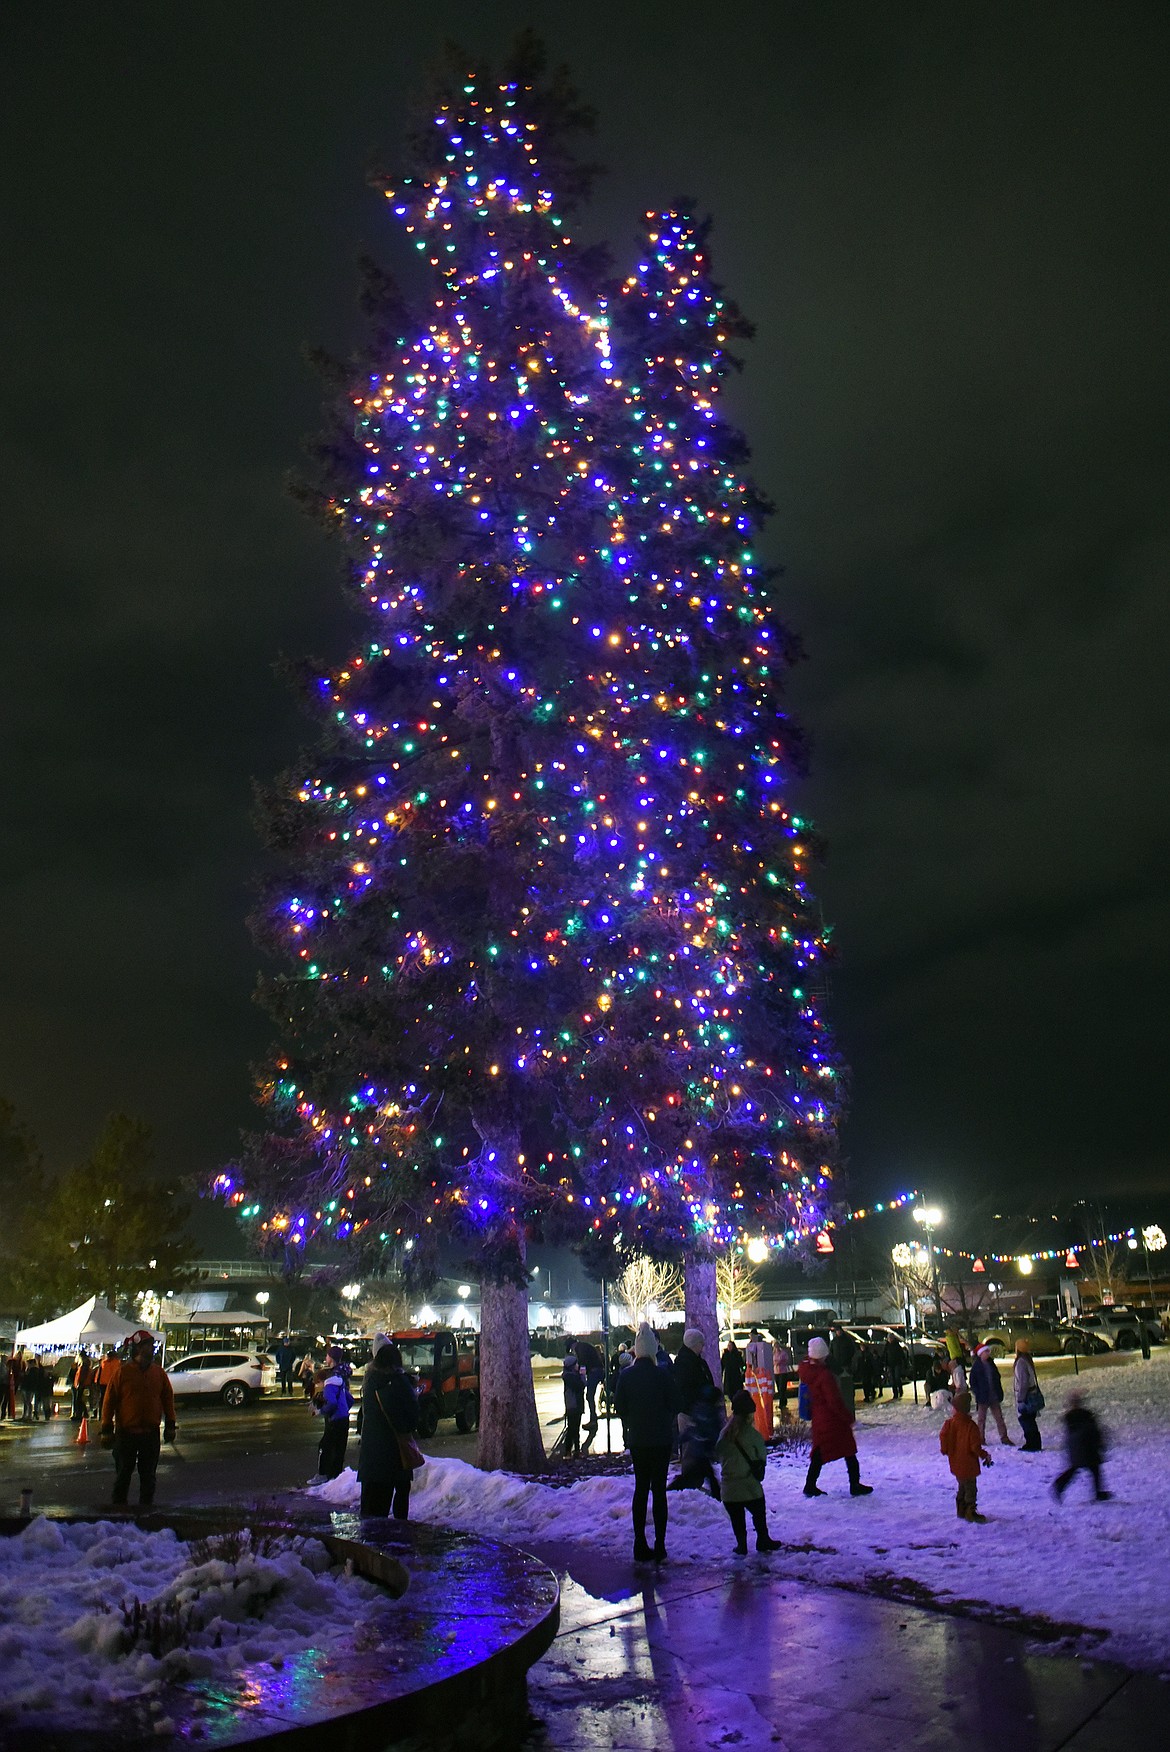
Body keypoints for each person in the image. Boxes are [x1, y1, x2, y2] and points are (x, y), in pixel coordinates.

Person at [614, 1324, 680, 1563]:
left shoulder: (626, 1376)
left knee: (640, 1489)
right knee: (659, 1491)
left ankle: (639, 1543)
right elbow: (675, 1402)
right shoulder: (662, 1374)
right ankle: (660, 1544)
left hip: (639, 1440)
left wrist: (633, 1418)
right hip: (661, 1439)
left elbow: (619, 1407)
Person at [99, 1330, 176, 1508]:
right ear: (138, 1348)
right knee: (123, 1474)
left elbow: (167, 1398)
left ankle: (146, 1509)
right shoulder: (123, 1373)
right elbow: (109, 1401)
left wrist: (170, 1424)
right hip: (126, 1433)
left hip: (150, 1433)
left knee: (148, 1476)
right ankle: (119, 1509)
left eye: (151, 1345)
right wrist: (106, 1429)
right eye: (147, 1345)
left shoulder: (158, 1373)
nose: (151, 1349)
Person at [798, 1336, 872, 1497]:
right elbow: (834, 1401)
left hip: (819, 1419)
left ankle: (810, 1485)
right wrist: (848, 1418)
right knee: (849, 1451)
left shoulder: (807, 1370)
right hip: (832, 1420)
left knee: (819, 1453)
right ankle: (854, 1484)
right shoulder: (824, 1376)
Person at [357, 1341, 420, 1518]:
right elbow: (410, 1421)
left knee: (372, 1513)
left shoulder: (370, 1381)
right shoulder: (399, 1384)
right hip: (397, 1456)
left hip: (373, 1459)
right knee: (398, 1510)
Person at [716, 1390, 781, 1555]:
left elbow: (718, 1453)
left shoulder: (724, 1434)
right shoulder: (753, 1435)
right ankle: (763, 1539)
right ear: (749, 1414)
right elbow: (762, 1457)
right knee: (758, 1512)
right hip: (749, 1486)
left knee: (737, 1519)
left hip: (729, 1490)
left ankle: (741, 1545)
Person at [669, 1330, 722, 1498]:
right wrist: (704, 1396)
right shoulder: (685, 1363)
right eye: (701, 1343)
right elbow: (687, 1389)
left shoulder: (695, 1361)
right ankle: (689, 1489)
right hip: (692, 1412)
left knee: (697, 1457)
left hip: (699, 1412)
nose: (703, 1347)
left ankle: (694, 1486)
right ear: (694, 1344)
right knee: (693, 1455)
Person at [939, 1389, 991, 1521]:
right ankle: (970, 1511)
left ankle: (960, 1509)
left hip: (956, 1464)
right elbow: (975, 1447)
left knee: (962, 1486)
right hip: (968, 1464)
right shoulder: (970, 1426)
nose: (952, 1410)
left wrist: (946, 1450)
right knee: (971, 1489)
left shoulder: (949, 1424)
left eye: (954, 1408)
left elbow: (943, 1437)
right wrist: (984, 1455)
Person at [1053, 1392, 1111, 1502]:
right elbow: (1093, 1430)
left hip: (1079, 1447)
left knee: (1083, 1468)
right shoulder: (1084, 1414)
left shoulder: (1070, 1416)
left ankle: (1059, 1484)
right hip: (1085, 1446)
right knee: (1090, 1468)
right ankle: (1059, 1484)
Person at [315, 1350, 354, 1478]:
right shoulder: (342, 1375)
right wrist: (344, 1410)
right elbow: (349, 1398)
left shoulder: (332, 1378)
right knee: (339, 1448)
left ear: (331, 1358)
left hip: (334, 1418)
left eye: (327, 1355)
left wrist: (322, 1410)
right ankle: (336, 1476)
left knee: (327, 1446)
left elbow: (331, 1402)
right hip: (342, 1417)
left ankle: (325, 1475)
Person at [970, 1343, 1014, 1445]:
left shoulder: (991, 1364)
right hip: (983, 1397)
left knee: (999, 1418)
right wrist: (978, 1393)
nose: (988, 1353)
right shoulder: (976, 1366)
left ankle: (1004, 1437)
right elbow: (973, 1382)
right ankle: (980, 1439)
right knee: (981, 1419)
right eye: (986, 1352)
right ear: (981, 1354)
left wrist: (998, 1391)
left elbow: (997, 1378)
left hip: (993, 1395)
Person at [1013, 1338, 1043, 1451]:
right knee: (1030, 1419)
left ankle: (1032, 1443)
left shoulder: (1021, 1362)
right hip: (1031, 1394)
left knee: (1025, 1420)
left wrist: (1021, 1398)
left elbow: (1023, 1382)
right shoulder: (1027, 1359)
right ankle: (1034, 1443)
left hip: (1026, 1396)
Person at [744, 1328, 774, 1438]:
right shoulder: (751, 1347)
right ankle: (763, 1431)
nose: (750, 1337)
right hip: (757, 1393)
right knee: (759, 1413)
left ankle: (766, 1431)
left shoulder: (762, 1347)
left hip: (762, 1392)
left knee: (765, 1411)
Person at [574, 1336, 604, 1446]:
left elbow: (582, 1362)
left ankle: (593, 1420)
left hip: (594, 1372)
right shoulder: (584, 1346)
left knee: (589, 1396)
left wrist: (581, 1374)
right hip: (597, 1370)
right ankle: (593, 1418)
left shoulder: (579, 1349)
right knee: (590, 1396)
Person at [827, 1324, 858, 1418]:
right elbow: (831, 1353)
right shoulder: (834, 1341)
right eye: (837, 1331)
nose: (838, 1332)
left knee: (847, 1384)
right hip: (837, 1367)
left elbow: (853, 1351)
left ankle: (849, 1401)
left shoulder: (847, 1340)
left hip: (846, 1365)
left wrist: (849, 1361)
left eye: (839, 1330)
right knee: (838, 1386)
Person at [561, 1341, 585, 1458]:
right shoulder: (570, 1377)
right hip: (573, 1405)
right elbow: (580, 1386)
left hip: (576, 1404)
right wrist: (582, 1375)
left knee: (575, 1428)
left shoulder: (571, 1375)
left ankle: (575, 1449)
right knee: (572, 1428)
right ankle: (569, 1450)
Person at [772, 1336, 793, 1415]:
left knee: (782, 1387)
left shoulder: (783, 1353)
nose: (776, 1347)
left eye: (777, 1345)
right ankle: (783, 1400)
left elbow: (786, 1359)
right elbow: (772, 1361)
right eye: (775, 1345)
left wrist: (780, 1362)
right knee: (779, 1387)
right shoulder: (773, 1353)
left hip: (783, 1371)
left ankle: (782, 1403)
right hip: (776, 1372)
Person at [883, 1331, 906, 1400]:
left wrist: (903, 1362)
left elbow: (901, 1354)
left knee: (897, 1378)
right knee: (892, 1379)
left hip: (897, 1363)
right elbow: (885, 1355)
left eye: (890, 1338)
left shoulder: (897, 1345)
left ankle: (900, 1389)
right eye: (889, 1338)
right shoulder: (887, 1346)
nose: (889, 1339)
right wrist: (885, 1364)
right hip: (890, 1364)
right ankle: (895, 1393)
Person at [70, 1351, 92, 1422]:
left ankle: (80, 1414)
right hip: (81, 1383)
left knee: (78, 1399)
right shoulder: (84, 1363)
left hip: (82, 1384)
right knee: (79, 1399)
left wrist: (80, 1383)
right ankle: (83, 1413)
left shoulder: (84, 1364)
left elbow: (82, 1375)